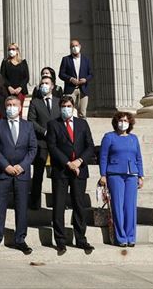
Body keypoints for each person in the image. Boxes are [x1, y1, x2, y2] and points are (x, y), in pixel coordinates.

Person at [0, 96, 37, 255]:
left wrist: (22, 166)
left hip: (22, 173)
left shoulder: (28, 126)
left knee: (21, 207)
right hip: (3, 172)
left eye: (14, 105)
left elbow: (32, 149)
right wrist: (6, 166)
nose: (11, 107)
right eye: (8, 105)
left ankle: (20, 239)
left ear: (21, 107)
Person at [46, 96, 95, 256]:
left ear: (73, 106)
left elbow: (90, 145)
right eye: (63, 106)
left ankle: (81, 239)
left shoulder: (82, 123)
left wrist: (79, 161)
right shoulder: (53, 124)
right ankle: (60, 241)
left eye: (68, 105)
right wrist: (68, 163)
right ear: (60, 108)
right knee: (59, 206)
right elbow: (52, 147)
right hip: (61, 170)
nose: (66, 108)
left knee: (79, 205)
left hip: (80, 170)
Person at [99, 112, 144, 247]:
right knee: (117, 205)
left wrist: (141, 175)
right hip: (115, 174)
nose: (123, 123)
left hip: (131, 174)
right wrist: (103, 174)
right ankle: (121, 237)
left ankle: (131, 236)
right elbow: (103, 156)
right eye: (120, 120)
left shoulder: (133, 138)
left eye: (125, 120)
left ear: (129, 123)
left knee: (130, 206)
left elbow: (139, 157)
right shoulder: (109, 137)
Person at [27, 75, 61, 210]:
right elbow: (31, 121)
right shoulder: (35, 102)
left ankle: (58, 202)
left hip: (57, 143)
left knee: (58, 174)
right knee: (38, 174)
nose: (44, 86)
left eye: (47, 83)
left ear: (52, 86)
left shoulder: (59, 102)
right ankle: (35, 202)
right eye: (42, 83)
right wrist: (44, 131)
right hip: (41, 142)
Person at [58, 39, 93, 118]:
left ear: (80, 46)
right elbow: (61, 74)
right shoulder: (66, 59)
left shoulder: (86, 60)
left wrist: (86, 80)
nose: (74, 47)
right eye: (72, 46)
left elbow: (91, 74)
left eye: (76, 45)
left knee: (82, 113)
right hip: (70, 89)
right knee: (68, 111)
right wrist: (70, 79)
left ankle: (82, 128)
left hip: (83, 89)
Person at [0, 43, 29, 109]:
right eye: (9, 49)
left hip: (20, 91)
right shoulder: (5, 62)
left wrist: (20, 87)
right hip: (8, 91)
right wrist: (9, 87)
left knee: (18, 109)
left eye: (13, 49)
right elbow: (2, 76)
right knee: (9, 108)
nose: (11, 51)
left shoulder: (23, 62)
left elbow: (26, 77)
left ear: (17, 50)